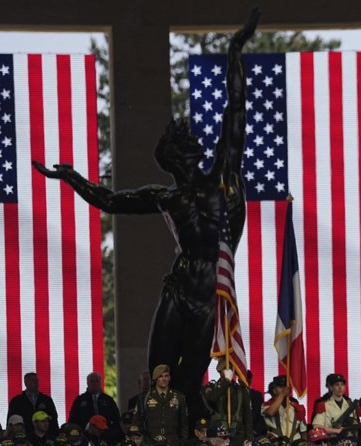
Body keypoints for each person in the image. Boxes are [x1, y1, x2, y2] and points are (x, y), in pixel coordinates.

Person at [34, 9, 260, 411]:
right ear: (174, 159)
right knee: (159, 371)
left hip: (208, 294)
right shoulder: (165, 196)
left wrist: (233, 51)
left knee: (190, 381)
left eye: (190, 144)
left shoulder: (220, 177)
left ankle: (192, 442)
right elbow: (110, 200)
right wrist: (71, 178)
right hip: (178, 288)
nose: (192, 147)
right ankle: (149, 436)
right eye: (182, 147)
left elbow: (236, 110)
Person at [132, 365, 189, 446]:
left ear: (170, 378)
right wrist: (142, 443)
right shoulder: (145, 398)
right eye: (160, 376)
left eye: (166, 376)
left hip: (173, 445)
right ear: (155, 379)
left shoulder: (179, 397)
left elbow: (184, 424)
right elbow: (137, 422)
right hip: (151, 444)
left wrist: (182, 445)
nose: (164, 379)